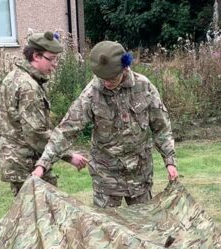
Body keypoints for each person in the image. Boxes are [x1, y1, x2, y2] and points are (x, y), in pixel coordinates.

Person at [0, 31, 87, 249]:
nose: (55, 66)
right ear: (35, 56)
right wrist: (68, 155)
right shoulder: (28, 87)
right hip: (25, 159)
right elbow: (37, 133)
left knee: (27, 207)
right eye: (51, 60)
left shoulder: (13, 77)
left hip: (14, 155)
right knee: (42, 207)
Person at [32, 40, 178, 208]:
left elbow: (162, 127)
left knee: (144, 227)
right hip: (106, 179)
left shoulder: (144, 87)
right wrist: (43, 164)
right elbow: (66, 131)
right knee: (105, 230)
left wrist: (170, 161)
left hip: (140, 175)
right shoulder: (91, 94)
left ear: (125, 68)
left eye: (112, 78)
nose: (107, 83)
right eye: (103, 78)